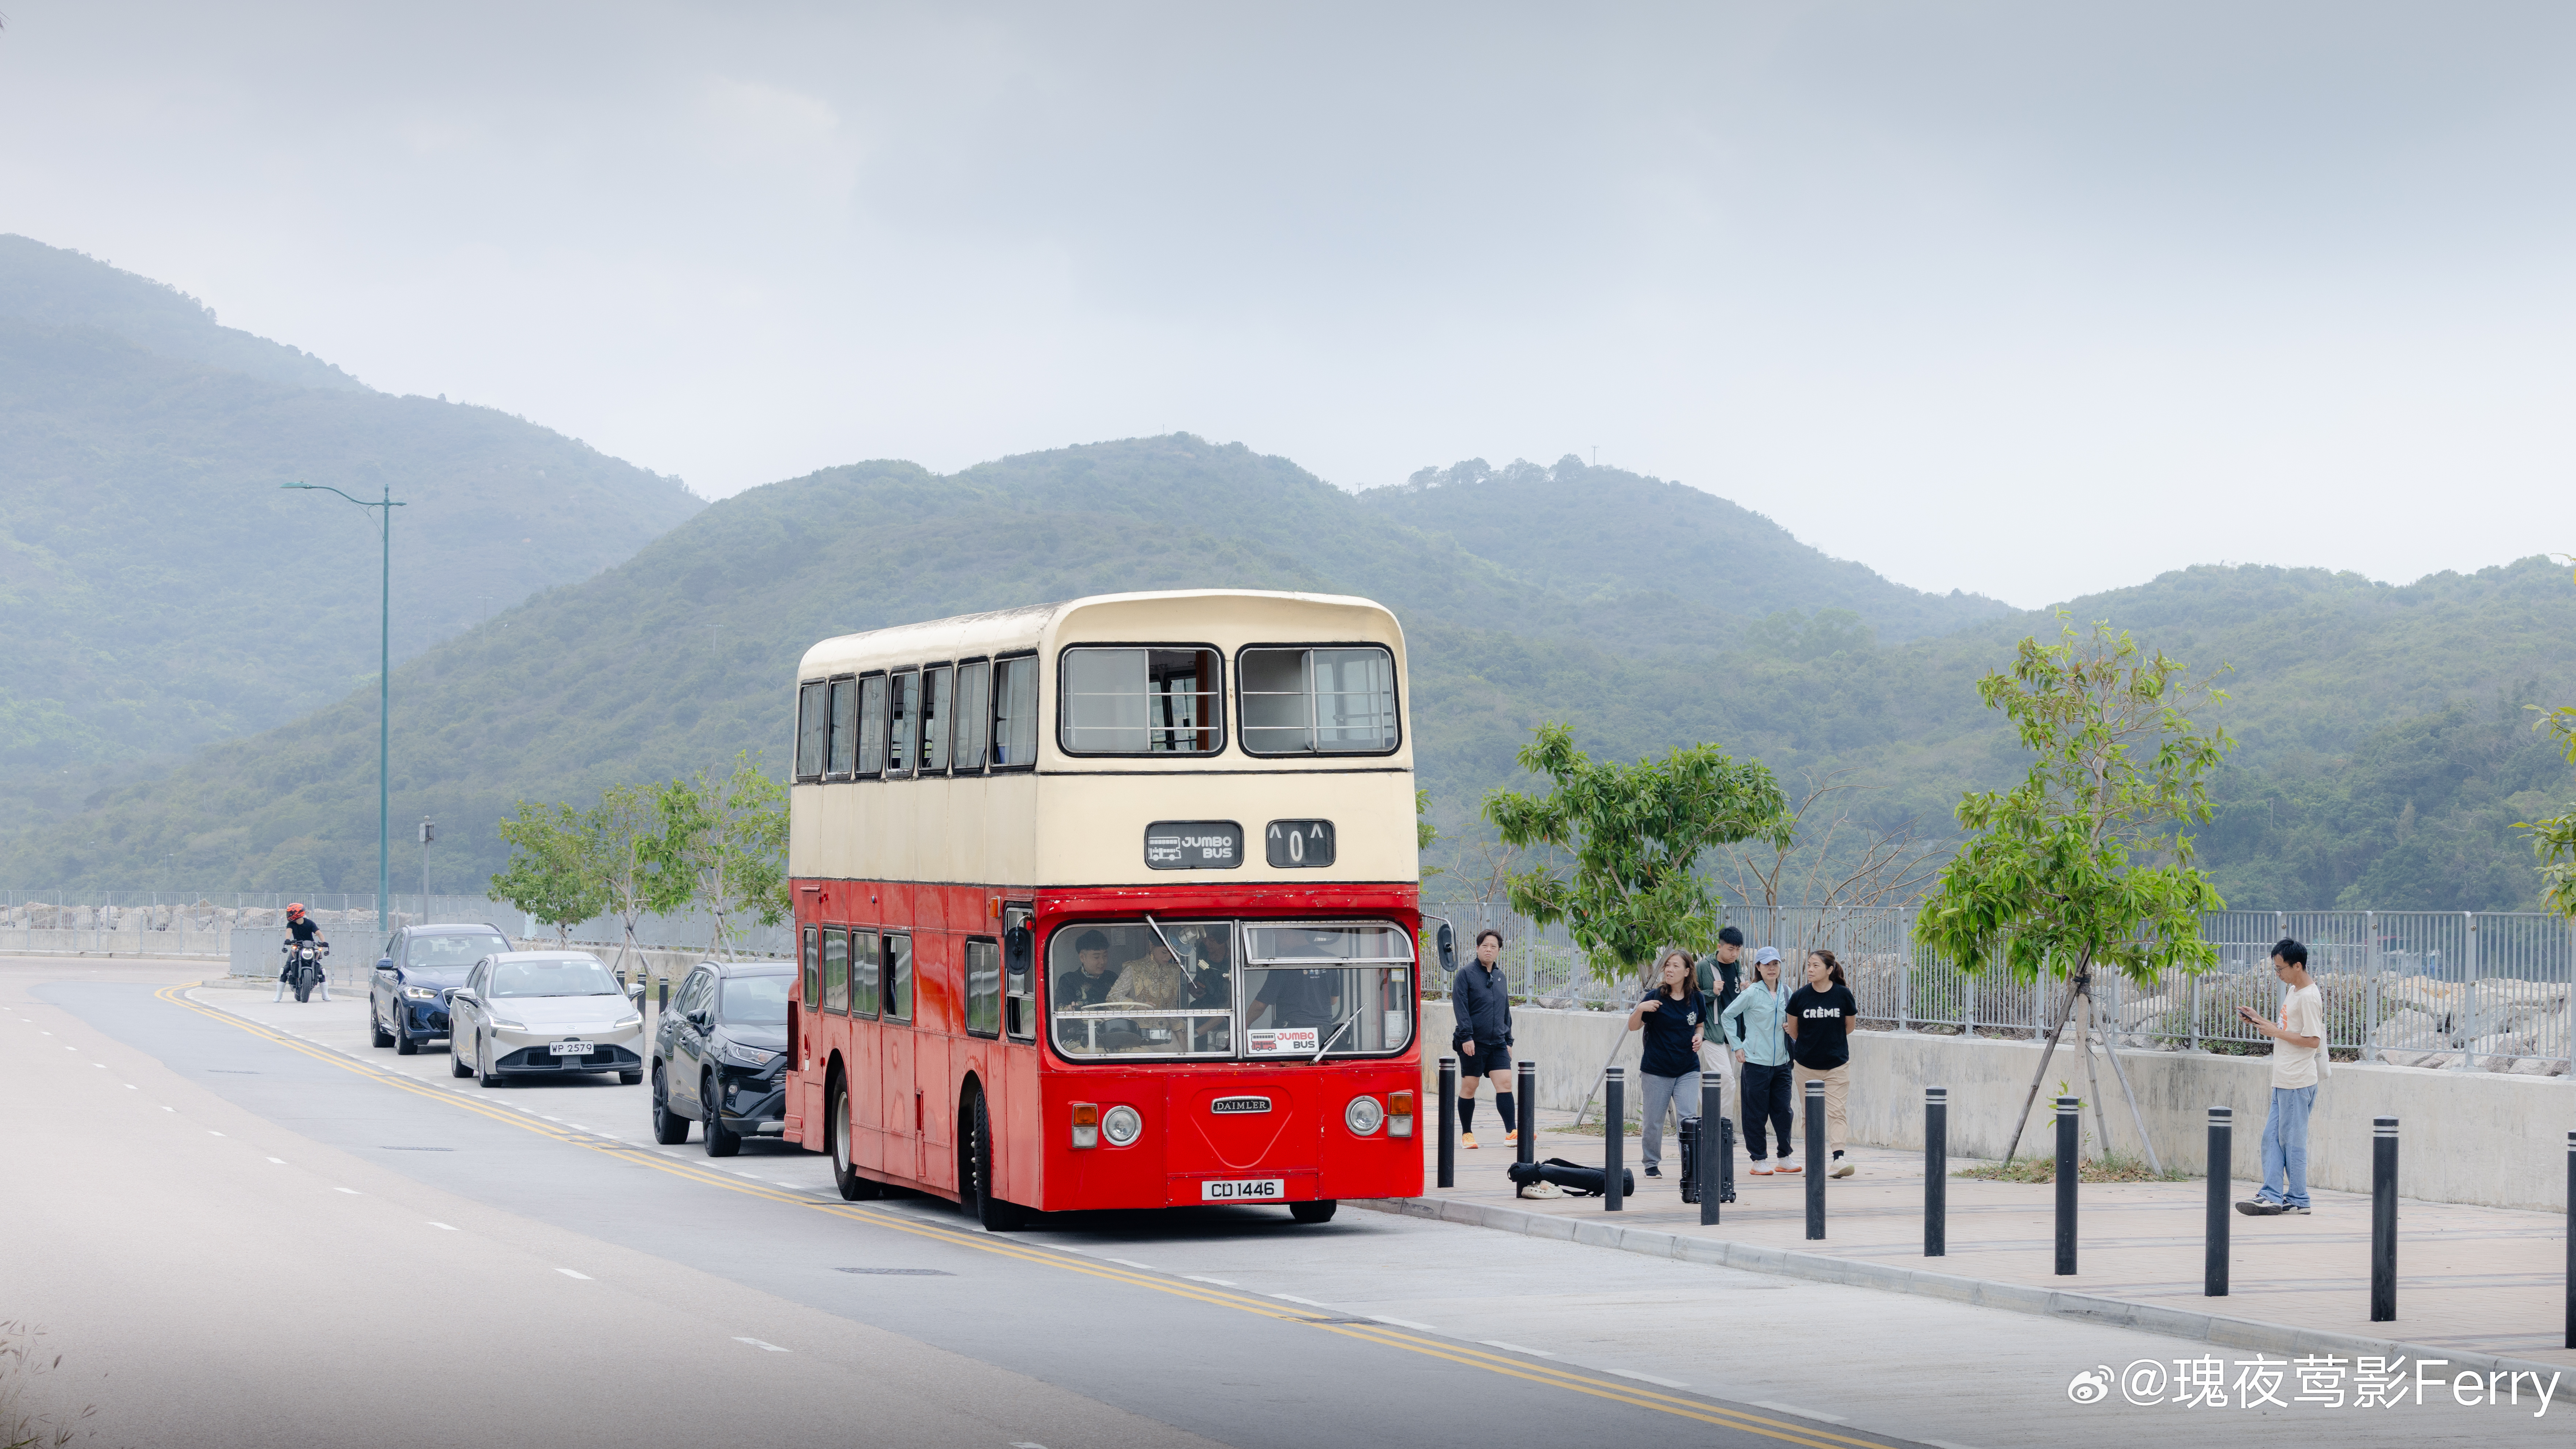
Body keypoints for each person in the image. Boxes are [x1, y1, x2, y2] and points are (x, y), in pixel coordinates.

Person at [2237, 938, 2324, 1217]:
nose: (2278, 974)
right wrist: (2261, 1022)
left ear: (2297, 966)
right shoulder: (2293, 991)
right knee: (2273, 1139)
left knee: (2289, 1142)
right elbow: (2288, 1030)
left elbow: (2312, 1040)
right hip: (2284, 1080)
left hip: (2297, 1082)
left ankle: (2289, 1197)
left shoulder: (2309, 996)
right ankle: (2282, 1196)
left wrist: (2275, 1033)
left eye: (2280, 969)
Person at [1626, 948, 1706, 1179]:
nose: (1670, 970)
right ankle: (1651, 1163)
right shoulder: (1655, 997)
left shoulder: (1697, 998)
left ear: (1688, 971)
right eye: (1668, 965)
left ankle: (1690, 1166)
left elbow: (1699, 1024)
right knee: (1653, 1121)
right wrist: (1640, 1009)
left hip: (1688, 1069)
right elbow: (1633, 1027)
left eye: (1676, 966)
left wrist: (1699, 1036)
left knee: (1688, 1119)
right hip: (1657, 1069)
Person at [1722, 946, 1797, 1176]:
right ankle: (1759, 1159)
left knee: (1784, 1111)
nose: (1772, 968)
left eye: (1775, 964)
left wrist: (1790, 1027)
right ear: (1758, 968)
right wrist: (1737, 1045)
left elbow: (1795, 1020)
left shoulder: (1787, 991)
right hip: (1756, 1062)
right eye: (1766, 965)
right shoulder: (1752, 993)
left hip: (1783, 1062)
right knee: (1756, 1112)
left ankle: (1784, 1157)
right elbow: (1727, 1016)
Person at [1783, 948, 1858, 1177]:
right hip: (1806, 1066)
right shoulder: (1800, 997)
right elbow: (1794, 1031)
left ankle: (1839, 1159)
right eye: (1809, 965)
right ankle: (1814, 1160)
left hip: (1837, 1065)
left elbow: (1850, 1027)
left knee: (1837, 1112)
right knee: (1810, 1114)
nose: (1810, 970)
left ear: (1829, 970)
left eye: (1816, 966)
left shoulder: (1843, 995)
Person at [1449, 928, 1516, 1149]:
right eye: (1485, 946)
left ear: (1498, 951)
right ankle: (1467, 1134)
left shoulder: (1500, 976)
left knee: (1505, 1083)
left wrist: (1508, 1040)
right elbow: (1461, 1007)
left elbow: (1505, 1009)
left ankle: (1511, 1132)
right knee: (1470, 1086)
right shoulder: (1466, 974)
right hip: (1472, 1042)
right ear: (1478, 948)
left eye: (1494, 947)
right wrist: (1466, 1036)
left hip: (1497, 1042)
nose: (1489, 950)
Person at [274, 903, 331, 1002]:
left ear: (298, 913)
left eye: (291, 913)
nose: (289, 914)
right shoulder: (291, 924)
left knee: (320, 970)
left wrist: (323, 942)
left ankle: (325, 995)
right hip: (298, 947)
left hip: (311, 947)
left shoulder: (310, 923)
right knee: (286, 968)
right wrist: (288, 940)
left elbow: (318, 933)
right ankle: (278, 996)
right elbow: (288, 932)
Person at [1111, 937, 1187, 1009]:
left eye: (1173, 953)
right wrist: (1135, 1005)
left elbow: (1172, 1007)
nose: (1169, 957)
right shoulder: (1135, 968)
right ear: (1151, 946)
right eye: (1164, 952)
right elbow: (1113, 997)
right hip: (1138, 1022)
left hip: (1166, 1022)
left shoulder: (1174, 971)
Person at [1055, 929, 1120, 1009]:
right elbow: (1058, 1007)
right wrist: (1068, 1009)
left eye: (1105, 956)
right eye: (1096, 957)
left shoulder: (1112, 978)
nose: (1102, 962)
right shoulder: (1069, 980)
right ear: (1083, 958)